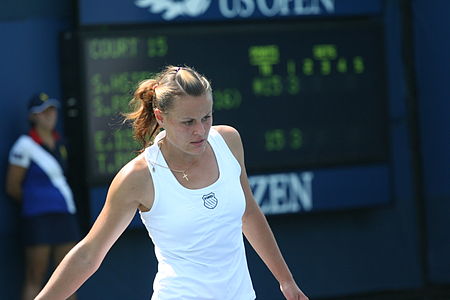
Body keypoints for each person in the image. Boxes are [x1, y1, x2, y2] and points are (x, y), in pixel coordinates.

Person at [35, 66, 308, 300]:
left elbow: (248, 212)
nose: (200, 130)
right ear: (160, 117)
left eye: (206, 117)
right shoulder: (138, 177)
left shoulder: (229, 141)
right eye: (187, 122)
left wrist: (286, 280)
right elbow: (89, 255)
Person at [5, 93, 80, 300]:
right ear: (33, 116)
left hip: (64, 215)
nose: (49, 115)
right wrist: (36, 203)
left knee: (70, 277)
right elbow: (12, 186)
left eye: (52, 110)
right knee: (35, 277)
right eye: (43, 111)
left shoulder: (61, 143)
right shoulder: (24, 145)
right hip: (38, 219)